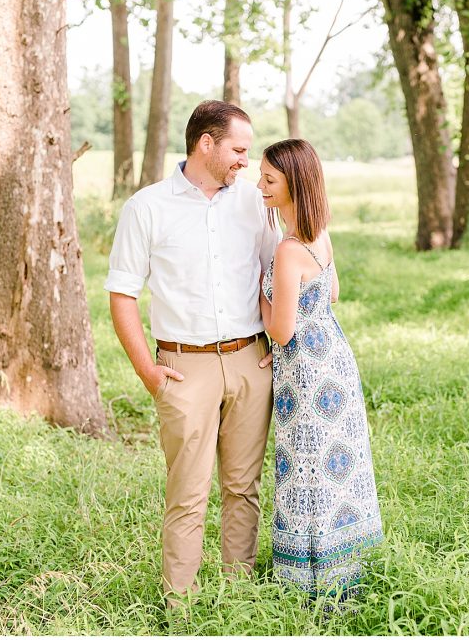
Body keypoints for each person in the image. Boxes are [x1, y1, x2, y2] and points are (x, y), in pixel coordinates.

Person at [105, 100, 280, 604]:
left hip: (251, 359)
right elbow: (122, 294)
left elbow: (277, 276)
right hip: (183, 367)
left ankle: (237, 593)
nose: (246, 162)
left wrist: (274, 346)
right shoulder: (147, 207)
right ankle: (179, 605)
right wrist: (149, 373)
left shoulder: (253, 203)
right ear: (207, 143)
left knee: (243, 487)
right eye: (239, 150)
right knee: (188, 493)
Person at [257, 138, 383, 603]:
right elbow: (332, 294)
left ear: (294, 184)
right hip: (334, 358)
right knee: (339, 466)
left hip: (305, 373)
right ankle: (348, 564)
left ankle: (310, 579)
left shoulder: (289, 250)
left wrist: (260, 292)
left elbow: (283, 331)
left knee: (306, 466)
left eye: (269, 180)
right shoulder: (321, 234)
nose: (261, 185)